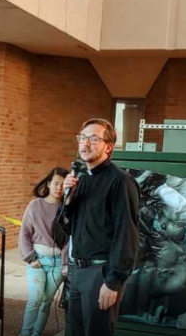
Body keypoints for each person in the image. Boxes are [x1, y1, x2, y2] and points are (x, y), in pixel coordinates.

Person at [60, 119, 140, 336]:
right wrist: (67, 202)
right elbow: (65, 231)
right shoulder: (81, 180)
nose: (86, 144)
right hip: (77, 271)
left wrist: (113, 282)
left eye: (94, 139)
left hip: (101, 273)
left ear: (109, 146)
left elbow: (127, 234)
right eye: (82, 138)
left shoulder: (120, 181)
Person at [19, 167, 70, 336]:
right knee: (35, 298)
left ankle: (36, 333)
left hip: (57, 264)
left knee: (46, 301)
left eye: (63, 185)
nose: (59, 188)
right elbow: (24, 233)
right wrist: (31, 258)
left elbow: (69, 239)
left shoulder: (67, 210)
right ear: (48, 184)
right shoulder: (35, 205)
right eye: (56, 183)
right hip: (37, 260)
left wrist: (64, 264)